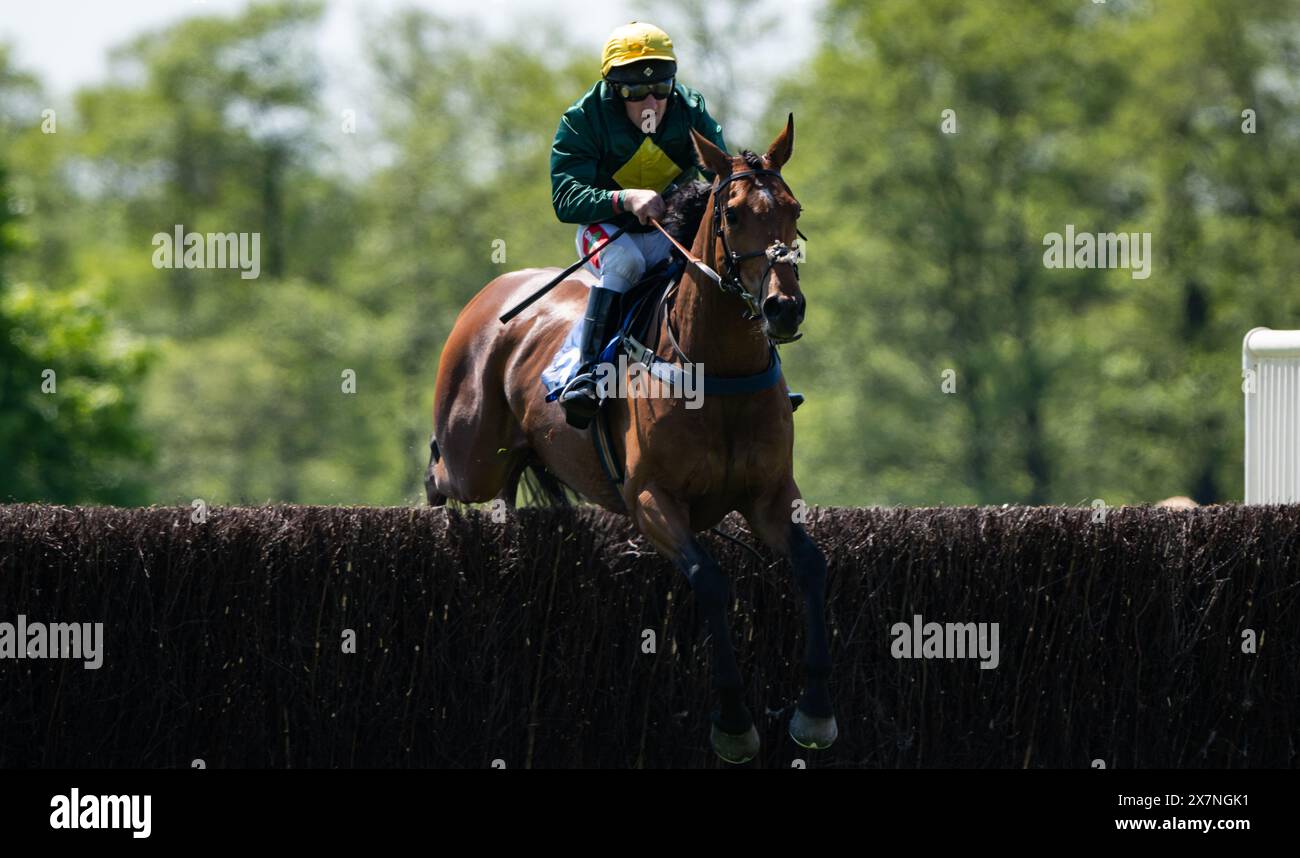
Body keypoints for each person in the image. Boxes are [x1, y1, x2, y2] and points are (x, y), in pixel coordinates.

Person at [550, 21, 728, 428]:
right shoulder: (583, 119)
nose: (651, 102)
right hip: (606, 231)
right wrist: (624, 198)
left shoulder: (691, 109)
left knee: (721, 264)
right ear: (614, 89)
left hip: (671, 229)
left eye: (661, 89)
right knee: (627, 262)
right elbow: (564, 199)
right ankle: (588, 372)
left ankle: (751, 377)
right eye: (635, 92)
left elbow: (722, 174)